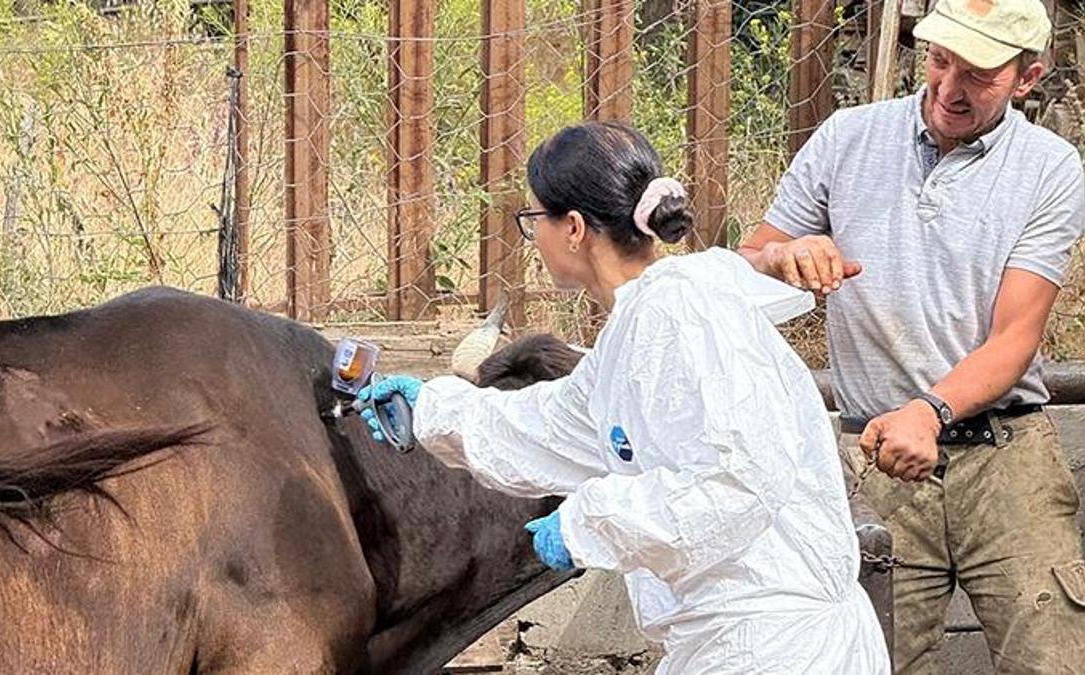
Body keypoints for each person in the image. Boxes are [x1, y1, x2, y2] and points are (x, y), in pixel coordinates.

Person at [360, 121, 889, 673]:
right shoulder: (640, 323)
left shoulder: (682, 316)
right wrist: (430, 410)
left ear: (573, 228)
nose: (532, 236)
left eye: (533, 219)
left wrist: (589, 522)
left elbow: (737, 480)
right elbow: (551, 427)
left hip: (778, 645)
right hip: (732, 641)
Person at [737, 0, 1085, 670]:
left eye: (978, 73)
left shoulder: (1049, 166)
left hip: (1006, 460)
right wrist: (784, 258)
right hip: (874, 455)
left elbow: (1017, 335)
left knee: (1053, 656)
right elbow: (748, 260)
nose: (949, 88)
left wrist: (927, 411)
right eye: (939, 59)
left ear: (1027, 77)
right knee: (871, 659)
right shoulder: (848, 137)